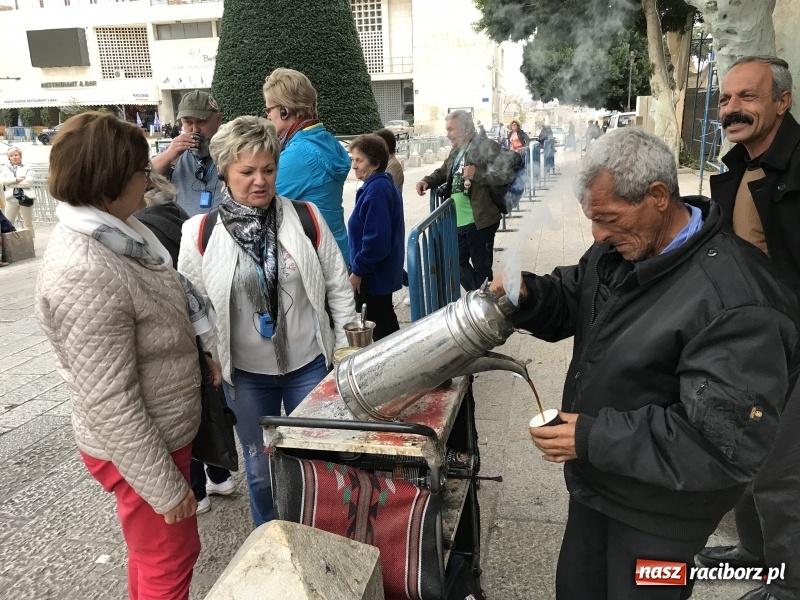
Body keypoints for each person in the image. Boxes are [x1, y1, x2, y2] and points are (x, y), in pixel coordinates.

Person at [491, 127, 800, 600]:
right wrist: (529, 294)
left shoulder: (737, 302)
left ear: (658, 196)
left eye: (608, 218)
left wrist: (591, 436)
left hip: (664, 518)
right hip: (599, 485)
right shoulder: (620, 248)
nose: (597, 235)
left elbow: (720, 443)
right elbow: (580, 296)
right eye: (592, 219)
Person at [35, 112, 214, 599]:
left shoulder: (119, 234)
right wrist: (165, 487)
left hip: (157, 430)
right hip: (139, 445)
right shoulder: (85, 269)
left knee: (153, 554)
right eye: (141, 172)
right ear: (108, 180)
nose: (148, 180)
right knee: (170, 559)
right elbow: (110, 400)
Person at [178, 116, 356, 526]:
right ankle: (270, 543)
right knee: (260, 473)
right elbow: (193, 304)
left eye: (268, 170)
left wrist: (346, 348)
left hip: (308, 364)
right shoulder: (199, 232)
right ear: (224, 171)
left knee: (315, 462)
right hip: (246, 375)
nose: (260, 181)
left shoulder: (305, 216)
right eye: (247, 171)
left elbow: (337, 285)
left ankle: (318, 537)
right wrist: (208, 359)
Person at [696, 55, 800, 600]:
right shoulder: (737, 166)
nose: (732, 108)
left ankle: (788, 584)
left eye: (749, 97)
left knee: (782, 475)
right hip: (744, 344)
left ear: (782, 102)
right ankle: (754, 556)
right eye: (727, 98)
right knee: (739, 454)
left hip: (792, 349)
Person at [135, 171, 237, 516]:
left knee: (185, 417)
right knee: (210, 400)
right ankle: (221, 475)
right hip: (198, 325)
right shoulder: (181, 216)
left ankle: (198, 491)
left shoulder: (139, 229)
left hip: (173, 332)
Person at [416, 110, 514, 292]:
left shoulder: (487, 146)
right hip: (459, 220)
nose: (448, 134)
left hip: (480, 220)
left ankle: (486, 304)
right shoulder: (456, 151)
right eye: (447, 129)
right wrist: (427, 181)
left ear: (466, 128)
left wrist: (478, 174)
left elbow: (507, 174)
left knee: (482, 270)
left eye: (451, 129)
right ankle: (483, 298)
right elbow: (444, 170)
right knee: (454, 262)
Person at [262, 68, 351, 265]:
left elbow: (258, 204)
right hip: (336, 249)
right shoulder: (325, 139)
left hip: (316, 258)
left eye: (269, 110)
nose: (267, 116)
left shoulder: (298, 154)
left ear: (284, 109)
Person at [347, 134, 404, 340]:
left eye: (359, 160)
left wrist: (358, 271)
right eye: (352, 159)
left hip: (375, 275)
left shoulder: (377, 189)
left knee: (383, 331)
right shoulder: (378, 185)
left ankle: (399, 370)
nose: (354, 165)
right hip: (378, 273)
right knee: (386, 323)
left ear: (376, 162)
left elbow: (377, 239)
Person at [152, 90, 224, 218]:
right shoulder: (175, 153)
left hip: (222, 231)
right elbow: (143, 175)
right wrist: (169, 154)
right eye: (188, 123)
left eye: (202, 122)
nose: (195, 130)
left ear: (218, 120)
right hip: (184, 232)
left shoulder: (230, 151)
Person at [1, 147, 34, 236]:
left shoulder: (27, 167)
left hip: (26, 198)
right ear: (9, 158)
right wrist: (16, 180)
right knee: (8, 222)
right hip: (10, 199)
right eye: (11, 156)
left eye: (16, 155)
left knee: (28, 224)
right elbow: (2, 181)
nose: (14, 157)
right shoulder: (5, 168)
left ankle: (30, 242)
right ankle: (9, 243)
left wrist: (11, 183)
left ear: (20, 156)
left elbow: (29, 182)